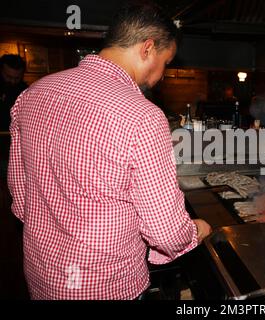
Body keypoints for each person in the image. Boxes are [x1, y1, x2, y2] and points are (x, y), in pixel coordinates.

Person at [8, 2, 211, 300]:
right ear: (148, 49)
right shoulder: (142, 115)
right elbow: (165, 233)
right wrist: (195, 230)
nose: (163, 74)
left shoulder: (33, 94)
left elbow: (21, 195)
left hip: (44, 273)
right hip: (104, 285)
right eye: (166, 63)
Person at [0, 54, 27, 131]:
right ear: (1, 71)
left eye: (17, 78)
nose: (13, 81)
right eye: (8, 77)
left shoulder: (26, 91)